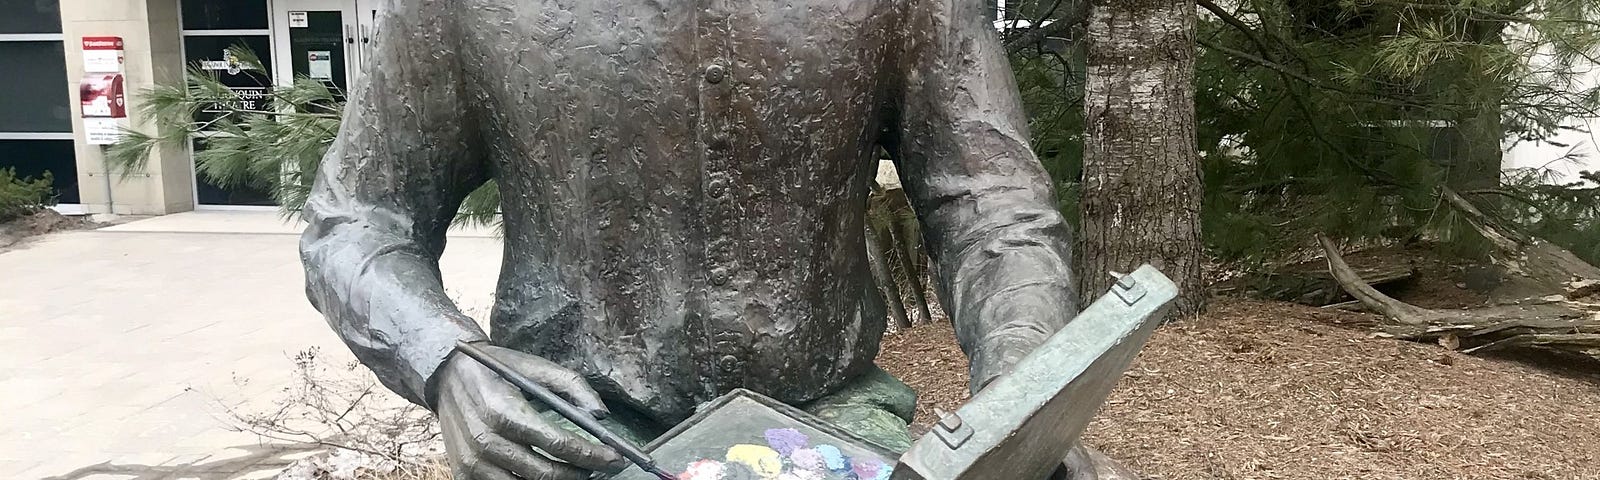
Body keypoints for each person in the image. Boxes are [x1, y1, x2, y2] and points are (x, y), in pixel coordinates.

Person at [299, 0, 1097, 478]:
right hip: (569, 434)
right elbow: (357, 217)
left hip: (828, 424)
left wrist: (1025, 388)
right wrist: (444, 356)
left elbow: (991, 205)